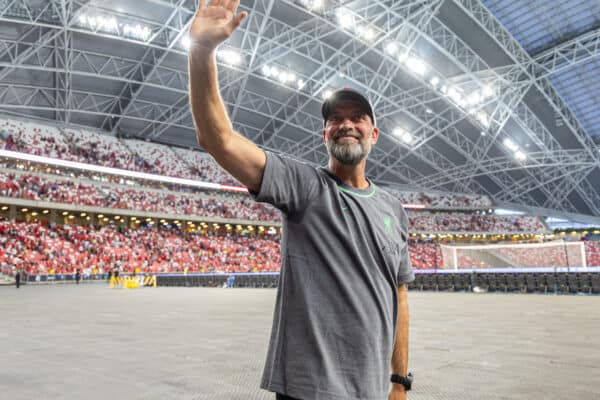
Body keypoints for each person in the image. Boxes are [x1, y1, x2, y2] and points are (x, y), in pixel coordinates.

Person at [188, 2, 414, 399]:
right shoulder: (305, 187)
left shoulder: (393, 208)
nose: (346, 123)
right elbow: (218, 139)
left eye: (357, 117)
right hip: (309, 391)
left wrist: (399, 381)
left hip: (373, 391)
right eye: (335, 119)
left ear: (374, 133)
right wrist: (202, 50)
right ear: (325, 135)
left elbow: (399, 297)